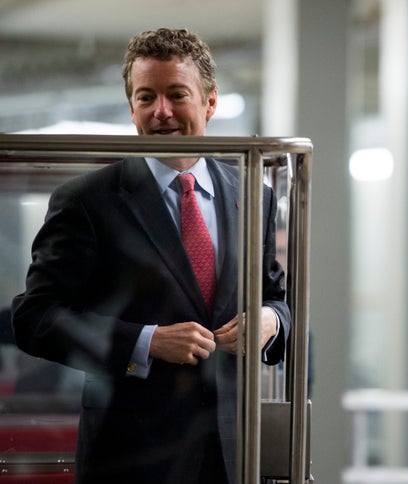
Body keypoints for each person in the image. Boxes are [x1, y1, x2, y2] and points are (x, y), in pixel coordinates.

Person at [11, 28, 290, 484]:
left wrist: (270, 321)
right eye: (146, 97)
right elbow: (35, 318)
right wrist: (146, 342)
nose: (161, 112)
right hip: (129, 459)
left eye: (176, 94)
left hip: (233, 453)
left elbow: (278, 298)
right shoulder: (87, 200)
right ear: (132, 107)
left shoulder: (251, 193)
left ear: (210, 103)